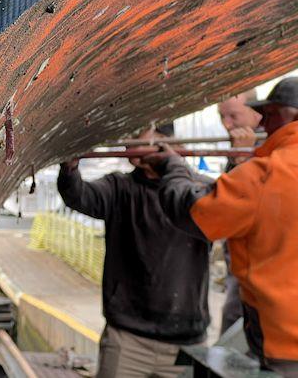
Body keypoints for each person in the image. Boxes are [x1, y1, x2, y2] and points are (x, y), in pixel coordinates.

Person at [149, 77, 298, 375]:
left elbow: (194, 213)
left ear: (290, 115)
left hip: (286, 346)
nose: (262, 124)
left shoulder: (269, 173)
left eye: (269, 115)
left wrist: (173, 167)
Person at [58, 123, 213, 378]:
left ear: (163, 142)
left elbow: (238, 208)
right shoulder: (119, 188)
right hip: (127, 338)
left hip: (186, 342)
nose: (127, 145)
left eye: (135, 136)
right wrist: (70, 168)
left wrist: (177, 167)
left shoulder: (197, 192)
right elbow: (80, 196)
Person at [216, 91, 262, 333]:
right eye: (221, 116)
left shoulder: (268, 149)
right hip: (241, 268)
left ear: (256, 113)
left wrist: (242, 160)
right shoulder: (238, 148)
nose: (226, 124)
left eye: (233, 116)